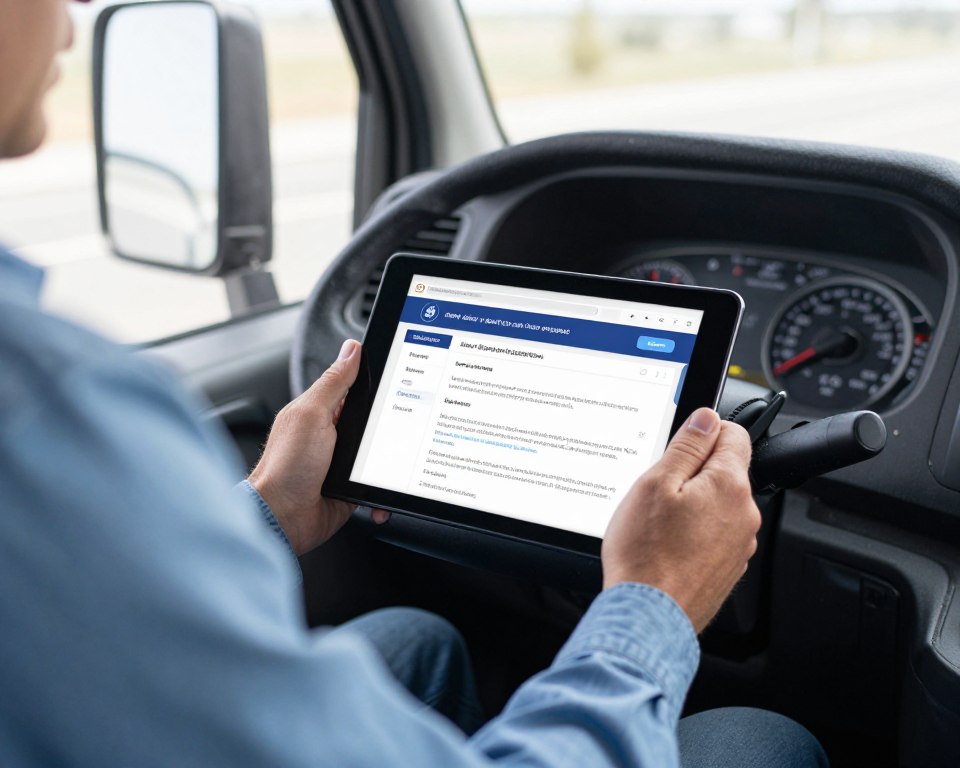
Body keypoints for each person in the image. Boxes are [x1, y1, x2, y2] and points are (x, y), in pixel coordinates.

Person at [0, 1, 829, 766]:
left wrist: (266, 511)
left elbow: (77, 626)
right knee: (761, 738)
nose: (68, 25)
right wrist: (657, 599)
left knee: (416, 638)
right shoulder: (40, 400)